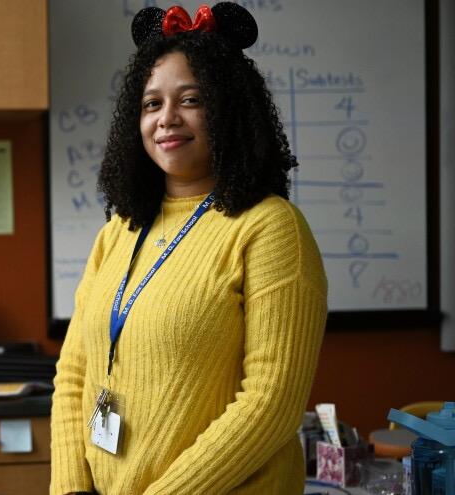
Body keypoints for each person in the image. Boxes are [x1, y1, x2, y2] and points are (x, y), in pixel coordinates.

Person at [50, 3, 328, 494]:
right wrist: (72, 486)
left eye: (191, 100)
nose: (166, 119)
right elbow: (74, 374)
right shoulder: (119, 230)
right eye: (151, 103)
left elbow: (271, 405)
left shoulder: (271, 229)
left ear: (228, 110)